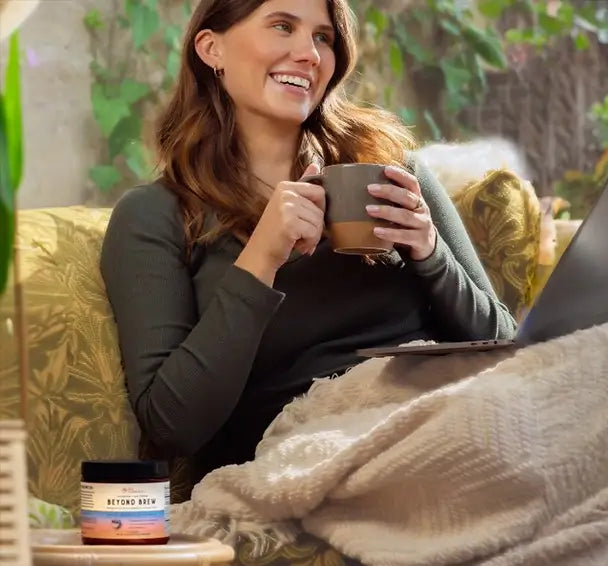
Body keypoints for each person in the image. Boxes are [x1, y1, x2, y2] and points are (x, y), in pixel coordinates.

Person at [98, 0, 517, 484]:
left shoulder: (395, 173)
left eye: (323, 37)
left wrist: (431, 253)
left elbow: (504, 346)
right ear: (211, 48)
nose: (310, 54)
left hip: (441, 410)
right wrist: (262, 257)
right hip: (315, 450)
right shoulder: (157, 214)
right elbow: (173, 426)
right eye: (282, 26)